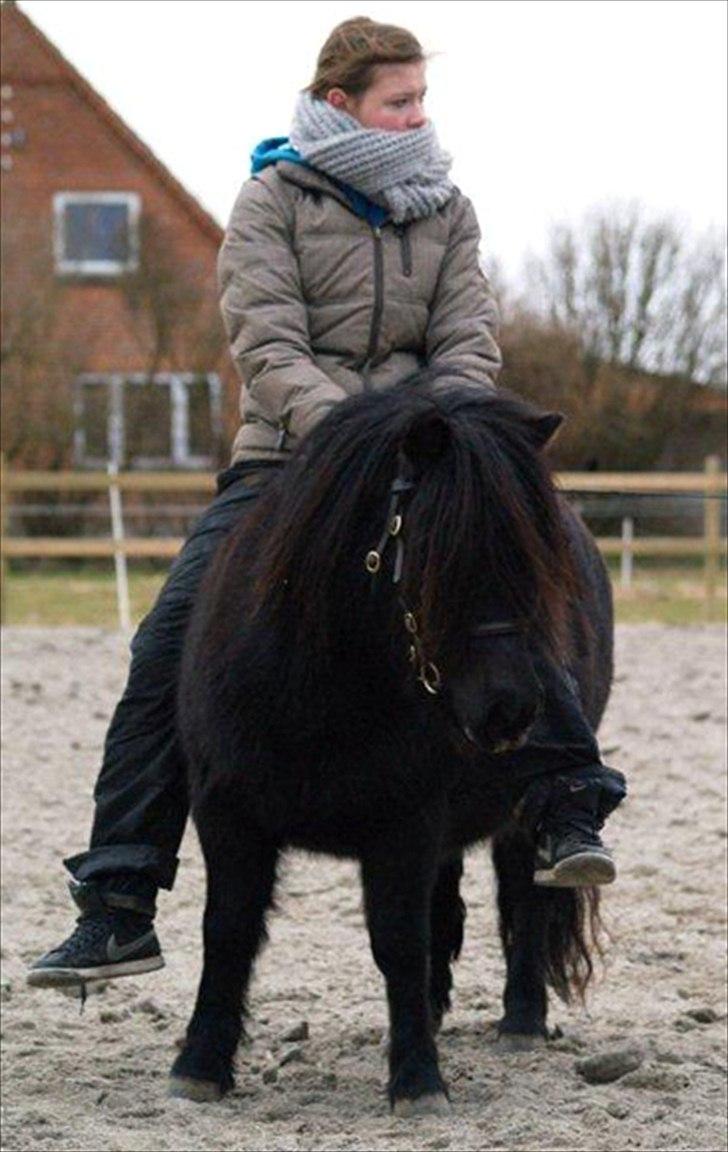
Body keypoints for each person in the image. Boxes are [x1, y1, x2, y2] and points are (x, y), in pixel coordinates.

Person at [28, 17, 625, 990]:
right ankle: (119, 899)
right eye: (400, 102)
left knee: (517, 599)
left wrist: (435, 436)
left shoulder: (447, 210)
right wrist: (357, 441)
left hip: (434, 456)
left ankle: (563, 804)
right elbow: (266, 350)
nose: (417, 117)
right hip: (290, 466)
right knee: (168, 643)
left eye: (422, 100)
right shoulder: (269, 203)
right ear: (340, 105)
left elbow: (469, 339)